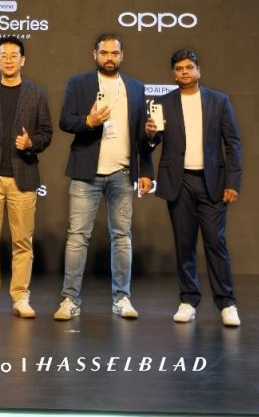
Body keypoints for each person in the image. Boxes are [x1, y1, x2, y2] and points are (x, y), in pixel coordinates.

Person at [54, 33, 153, 321]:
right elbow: (65, 121)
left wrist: (146, 170)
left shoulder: (136, 88)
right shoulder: (79, 83)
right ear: (94, 54)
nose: (109, 57)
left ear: (122, 56)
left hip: (122, 173)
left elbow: (142, 136)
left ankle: (122, 298)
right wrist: (88, 121)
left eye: (114, 53)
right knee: (77, 238)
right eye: (104, 52)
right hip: (86, 173)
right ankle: (70, 300)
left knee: (122, 237)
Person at [144, 48, 243, 327]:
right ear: (173, 74)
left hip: (213, 182)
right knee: (184, 243)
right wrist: (150, 134)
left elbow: (233, 144)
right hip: (179, 182)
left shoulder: (219, 101)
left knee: (215, 242)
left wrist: (232, 182)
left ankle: (227, 303)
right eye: (179, 69)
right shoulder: (162, 102)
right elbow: (151, 143)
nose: (184, 72)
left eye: (189, 67)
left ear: (199, 70)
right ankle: (188, 300)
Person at [0, 36, 53, 319]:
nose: (8, 60)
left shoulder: (37, 94)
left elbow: (46, 132)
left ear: (23, 60)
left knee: (22, 242)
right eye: (3, 55)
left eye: (13, 55)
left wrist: (31, 143)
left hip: (23, 177)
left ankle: (20, 297)